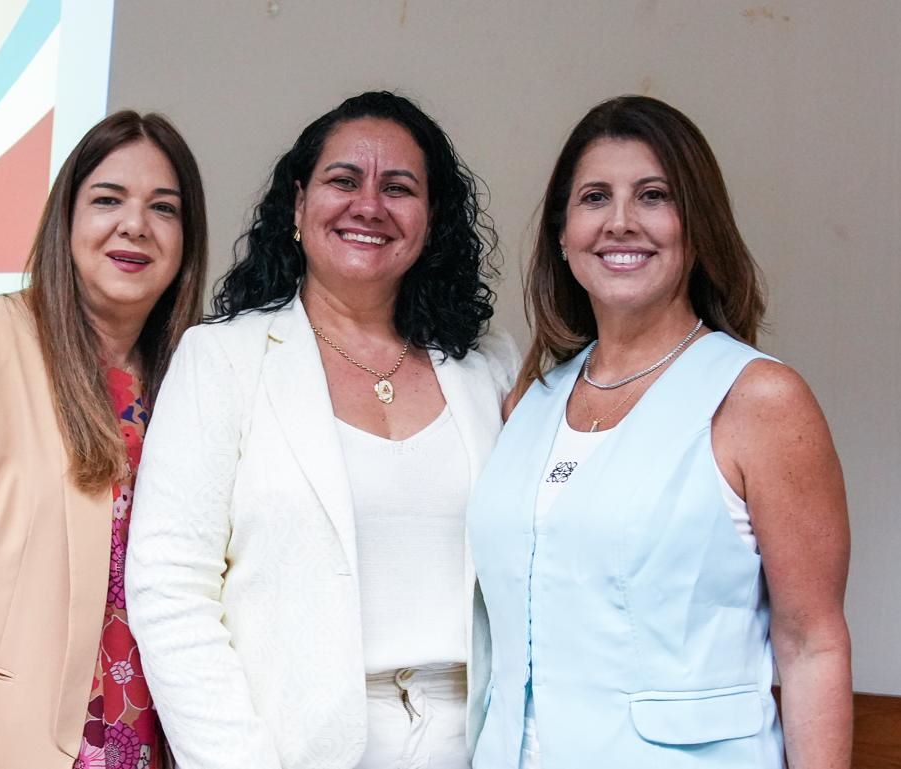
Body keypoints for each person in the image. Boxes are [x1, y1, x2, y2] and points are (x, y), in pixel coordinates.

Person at [125, 91, 519, 769]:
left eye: (399, 188)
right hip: (291, 752)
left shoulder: (490, 367)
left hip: (479, 748)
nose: (369, 205)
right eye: (344, 180)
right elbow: (169, 588)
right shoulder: (222, 359)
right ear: (299, 205)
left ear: (431, 220)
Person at [467, 96, 852, 768]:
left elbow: (811, 643)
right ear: (562, 232)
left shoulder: (760, 400)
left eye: (653, 196)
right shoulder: (528, 401)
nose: (621, 221)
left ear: (696, 227)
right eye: (595, 197)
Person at [0, 110, 208, 769]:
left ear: (187, 239)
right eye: (108, 199)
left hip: (157, 746)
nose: (135, 224)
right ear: (65, 219)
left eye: (164, 208)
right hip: (0, 749)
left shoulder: (199, 380)